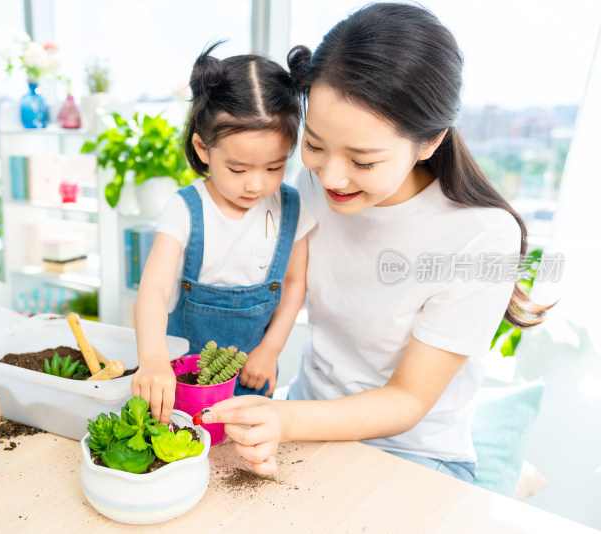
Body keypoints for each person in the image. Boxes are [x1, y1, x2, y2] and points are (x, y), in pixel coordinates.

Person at [199, 3, 551, 481]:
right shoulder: (313, 184)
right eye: (316, 145)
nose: (333, 175)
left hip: (412, 455)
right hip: (304, 422)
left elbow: (408, 400)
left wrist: (284, 417)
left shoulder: (482, 236)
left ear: (430, 142)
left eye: (363, 161)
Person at [132, 42, 317, 424]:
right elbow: (153, 288)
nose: (255, 185)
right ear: (203, 148)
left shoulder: (292, 208)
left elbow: (296, 285)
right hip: (181, 379)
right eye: (238, 169)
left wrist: (270, 350)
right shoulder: (185, 209)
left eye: (273, 168)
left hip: (254, 374)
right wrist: (152, 359)